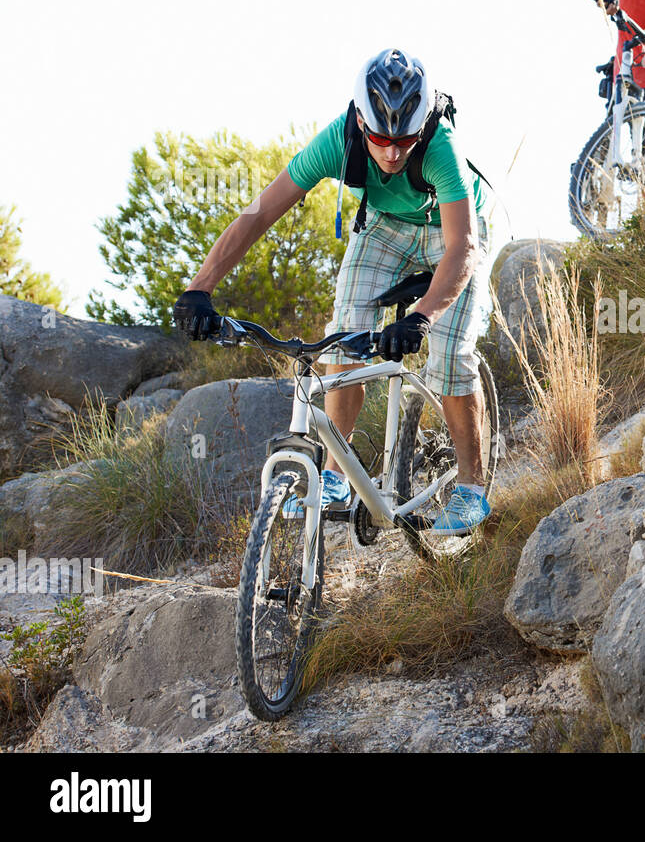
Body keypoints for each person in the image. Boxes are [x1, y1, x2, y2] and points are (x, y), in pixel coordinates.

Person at [172, 48, 492, 535]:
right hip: (384, 227)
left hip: (449, 231)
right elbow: (260, 213)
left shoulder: (440, 146)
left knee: (448, 354)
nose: (390, 153)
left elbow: (462, 248)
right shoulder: (335, 142)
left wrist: (421, 316)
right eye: (381, 139)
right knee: (342, 341)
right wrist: (199, 289)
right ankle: (337, 476)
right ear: (361, 121)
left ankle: (471, 490)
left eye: (404, 140)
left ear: (423, 125)